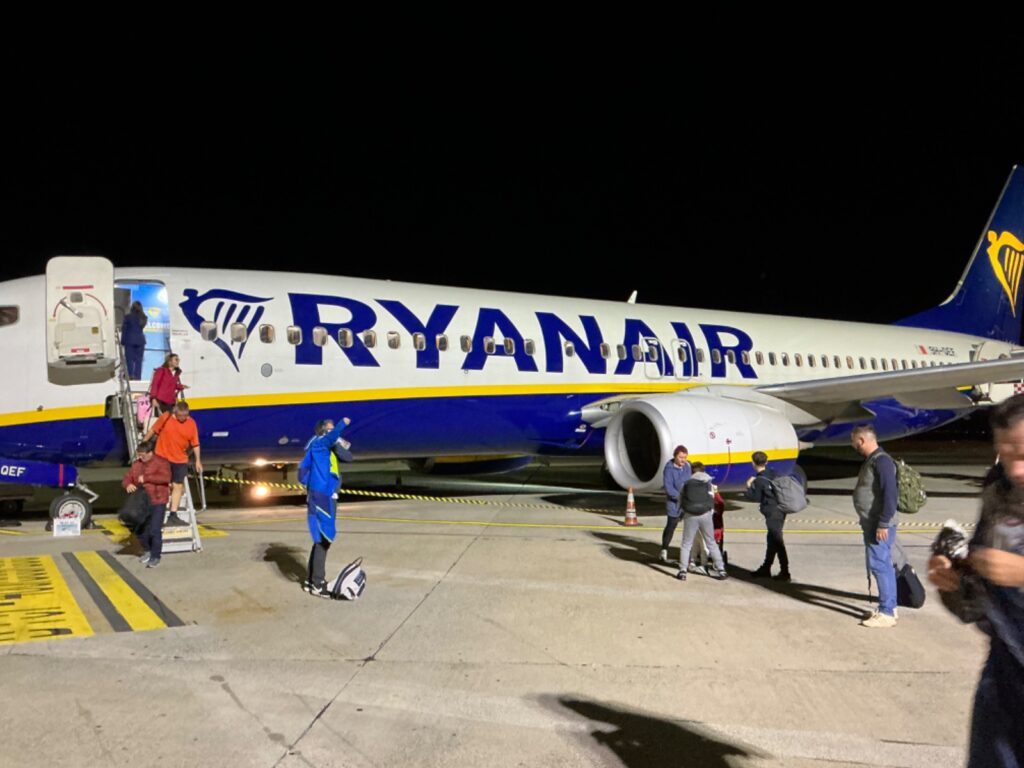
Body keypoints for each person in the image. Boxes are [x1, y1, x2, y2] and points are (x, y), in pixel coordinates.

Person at [929, 396, 1024, 766]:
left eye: (1023, 453)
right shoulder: (999, 490)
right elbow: (976, 605)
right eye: (1005, 454)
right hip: (1006, 669)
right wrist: (954, 580)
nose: (1015, 470)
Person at [850, 424, 899, 628]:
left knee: (879, 564)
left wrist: (883, 523)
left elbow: (890, 494)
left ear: (861, 440)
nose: (854, 447)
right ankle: (889, 607)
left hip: (879, 523)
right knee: (882, 563)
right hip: (873, 522)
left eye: (854, 443)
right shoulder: (874, 460)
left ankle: (887, 612)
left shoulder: (882, 461)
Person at [298, 417, 352, 597]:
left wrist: (336, 443)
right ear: (322, 431)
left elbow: (348, 457)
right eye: (329, 430)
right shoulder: (318, 446)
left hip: (323, 495)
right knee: (325, 540)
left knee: (320, 539)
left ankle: (310, 580)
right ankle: (318, 583)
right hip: (324, 497)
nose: (332, 433)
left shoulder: (328, 446)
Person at [143, 401, 202, 519]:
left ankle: (173, 513)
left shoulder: (191, 423)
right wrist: (144, 443)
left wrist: (198, 461)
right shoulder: (166, 417)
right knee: (161, 482)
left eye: (185, 416)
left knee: (178, 485)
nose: (182, 418)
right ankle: (156, 507)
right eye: (180, 416)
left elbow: (195, 444)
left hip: (180, 459)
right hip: (162, 456)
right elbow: (153, 430)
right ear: (175, 412)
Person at [122, 440, 171, 568]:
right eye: (139, 455)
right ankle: (148, 550)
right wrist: (128, 484)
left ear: (150, 453)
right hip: (143, 502)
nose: (140, 457)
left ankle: (155, 556)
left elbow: (166, 478)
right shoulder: (136, 464)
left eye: (143, 455)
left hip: (158, 501)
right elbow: (127, 477)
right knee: (140, 530)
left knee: (155, 530)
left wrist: (147, 478)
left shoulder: (161, 462)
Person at [675, 462, 727, 581]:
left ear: (692, 472)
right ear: (703, 471)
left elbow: (680, 500)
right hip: (706, 515)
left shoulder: (687, 484)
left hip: (690, 515)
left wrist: (680, 514)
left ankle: (683, 571)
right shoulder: (709, 484)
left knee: (686, 544)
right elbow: (713, 499)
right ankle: (721, 569)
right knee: (711, 543)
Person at [745, 451, 791, 582]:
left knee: (777, 541)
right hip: (781, 510)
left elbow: (755, 497)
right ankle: (766, 568)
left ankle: (785, 571)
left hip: (772, 512)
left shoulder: (759, 480)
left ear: (753, 463)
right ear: (766, 462)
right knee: (772, 540)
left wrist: (749, 486)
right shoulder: (774, 474)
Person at [659, 446, 691, 564]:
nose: (683, 460)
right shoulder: (669, 469)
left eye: (685, 457)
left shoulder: (688, 466)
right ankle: (664, 549)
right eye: (681, 457)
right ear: (675, 456)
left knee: (690, 528)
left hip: (687, 503)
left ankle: (688, 554)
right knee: (671, 526)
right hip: (675, 504)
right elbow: (669, 488)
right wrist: (680, 497)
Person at [120, 300, 147, 380]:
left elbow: (124, 329)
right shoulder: (144, 317)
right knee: (139, 360)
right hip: (140, 340)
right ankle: (138, 377)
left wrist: (122, 341)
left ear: (132, 307)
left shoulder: (128, 317)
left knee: (129, 359)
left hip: (130, 340)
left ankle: (130, 376)